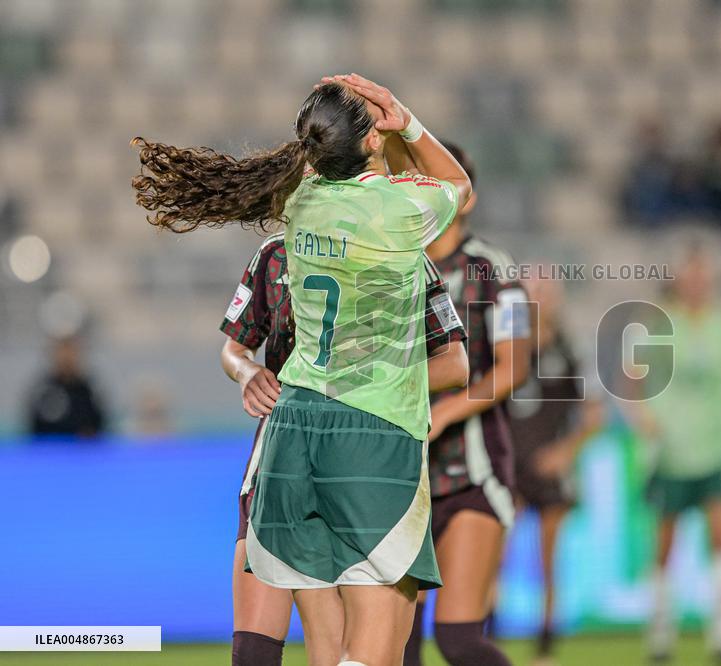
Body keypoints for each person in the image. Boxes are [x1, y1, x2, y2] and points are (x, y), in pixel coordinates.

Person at [133, 74, 473, 666]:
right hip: (372, 430)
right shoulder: (398, 212)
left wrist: (363, 133)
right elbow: (458, 187)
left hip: (292, 429)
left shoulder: (299, 201)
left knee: (325, 643)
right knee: (377, 640)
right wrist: (406, 120)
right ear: (372, 140)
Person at [220, 229, 468, 666]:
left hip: (366, 460)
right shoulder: (276, 253)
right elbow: (234, 349)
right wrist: (246, 371)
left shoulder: (400, 250)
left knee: (345, 649)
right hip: (286, 456)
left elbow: (454, 363)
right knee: (260, 651)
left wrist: (363, 389)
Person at [403, 142, 532, 666]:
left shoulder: (492, 268)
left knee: (457, 638)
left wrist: (447, 411)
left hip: (472, 471)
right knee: (399, 646)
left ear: (465, 197)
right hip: (403, 476)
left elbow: (514, 366)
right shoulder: (393, 265)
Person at [629, 247, 721, 665]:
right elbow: (631, 379)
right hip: (671, 450)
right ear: (679, 282)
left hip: (715, 447)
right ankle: (660, 634)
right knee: (664, 547)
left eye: (702, 278)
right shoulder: (658, 324)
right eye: (690, 278)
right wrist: (642, 417)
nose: (696, 285)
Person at [506, 274, 603, 665]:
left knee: (548, 559)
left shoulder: (572, 349)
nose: (541, 300)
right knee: (492, 554)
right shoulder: (506, 346)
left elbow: (594, 415)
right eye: (534, 293)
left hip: (549, 468)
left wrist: (565, 452)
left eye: (546, 293)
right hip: (509, 466)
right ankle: (483, 637)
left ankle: (545, 644)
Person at [25, 335, 106, 439]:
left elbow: (98, 425)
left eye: (71, 353)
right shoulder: (43, 389)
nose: (66, 359)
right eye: (62, 354)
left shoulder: (88, 391)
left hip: (80, 448)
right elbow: (34, 427)